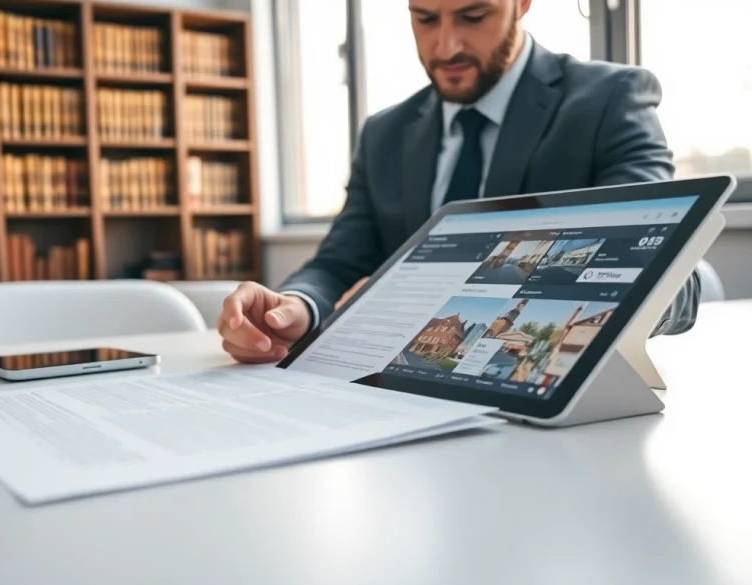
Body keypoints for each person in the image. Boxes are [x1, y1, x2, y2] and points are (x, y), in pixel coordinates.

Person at [217, 0, 700, 364]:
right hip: (400, 397)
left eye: (472, 16)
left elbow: (673, 279)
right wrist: (296, 309)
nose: (445, 47)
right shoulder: (385, 132)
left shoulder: (608, 100)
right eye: (425, 19)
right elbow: (338, 263)